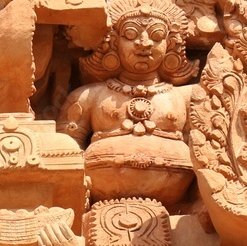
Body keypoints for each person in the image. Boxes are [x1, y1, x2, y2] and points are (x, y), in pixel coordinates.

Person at [57, 0, 198, 206]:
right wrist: (75, 195)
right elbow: (64, 151)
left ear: (171, 44)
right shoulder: (88, 95)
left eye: (156, 36)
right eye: (131, 35)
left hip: (178, 205)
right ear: (114, 42)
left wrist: (201, 202)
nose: (144, 43)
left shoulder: (187, 97)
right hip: (97, 200)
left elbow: (209, 156)